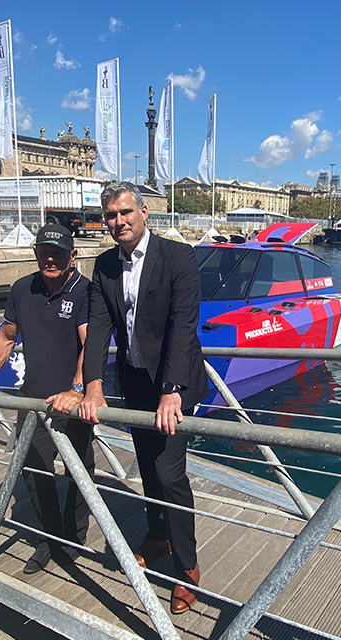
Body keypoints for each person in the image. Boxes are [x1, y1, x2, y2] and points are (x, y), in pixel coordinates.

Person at [78, 181, 209, 614]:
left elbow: (182, 325)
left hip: (173, 384)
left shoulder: (178, 257)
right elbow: (98, 326)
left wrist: (171, 391)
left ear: (144, 211)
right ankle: (158, 534)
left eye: (125, 213)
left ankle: (187, 567)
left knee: (170, 474)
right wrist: (93, 384)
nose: (119, 222)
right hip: (133, 383)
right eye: (111, 216)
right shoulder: (103, 267)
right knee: (148, 470)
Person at [0, 223, 93, 575]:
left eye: (59, 253)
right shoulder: (22, 289)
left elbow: (90, 343)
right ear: (35, 254)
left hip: (73, 401)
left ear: (73, 256)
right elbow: (5, 337)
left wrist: (76, 389)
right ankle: (50, 540)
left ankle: (74, 536)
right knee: (34, 469)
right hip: (33, 398)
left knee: (79, 469)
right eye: (44, 252)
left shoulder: (84, 292)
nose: (51, 259)